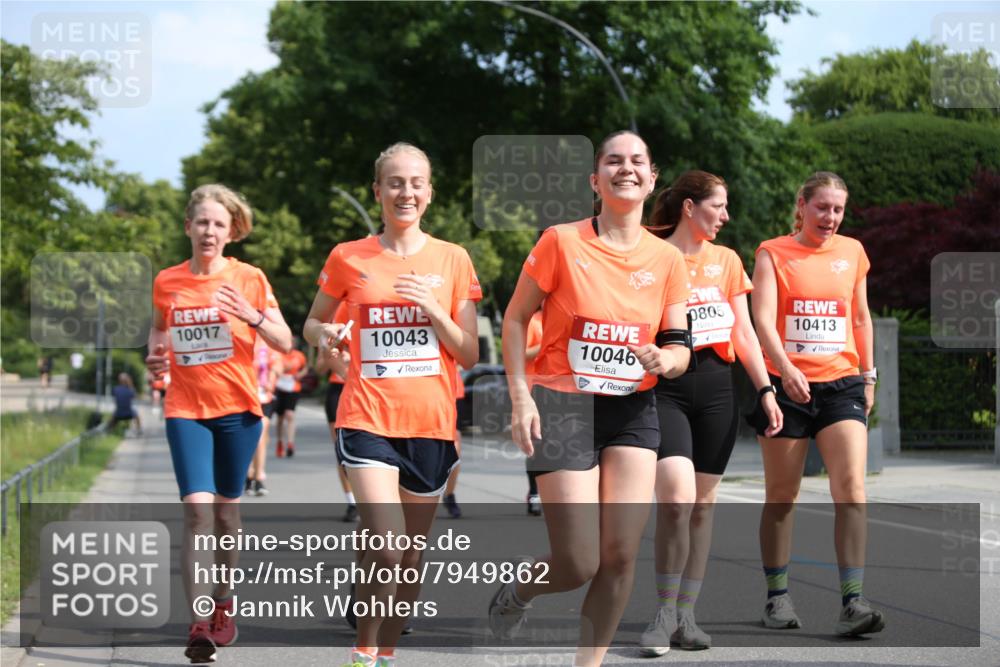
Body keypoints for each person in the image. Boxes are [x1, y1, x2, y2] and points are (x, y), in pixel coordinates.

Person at [497, 130, 692, 667]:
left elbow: (680, 347)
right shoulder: (562, 240)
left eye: (637, 161)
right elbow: (516, 318)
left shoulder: (668, 258)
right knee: (579, 560)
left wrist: (664, 360)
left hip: (633, 410)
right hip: (562, 405)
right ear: (595, 179)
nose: (625, 168)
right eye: (613, 161)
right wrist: (520, 395)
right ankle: (520, 591)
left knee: (620, 555)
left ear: (652, 179)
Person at [303, 142, 480, 667]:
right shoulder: (348, 256)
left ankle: (385, 650)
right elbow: (312, 321)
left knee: (409, 556)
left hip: (429, 423)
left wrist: (435, 311)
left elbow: (468, 352)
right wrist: (326, 332)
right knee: (388, 543)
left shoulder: (453, 258)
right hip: (365, 415)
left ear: (429, 193)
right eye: (395, 183)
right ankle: (363, 654)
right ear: (377, 191)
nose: (406, 192)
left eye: (416, 183)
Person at [638, 170, 783, 656]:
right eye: (718, 206)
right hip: (667, 388)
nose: (725, 216)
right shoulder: (652, 251)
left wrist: (764, 389)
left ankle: (686, 615)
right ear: (689, 207)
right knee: (676, 501)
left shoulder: (726, 260)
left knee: (702, 507)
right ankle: (660, 614)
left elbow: (743, 333)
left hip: (719, 390)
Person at [146, 183, 292, 664]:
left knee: (227, 517)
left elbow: (286, 341)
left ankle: (224, 602)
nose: (209, 231)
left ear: (231, 233)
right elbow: (160, 328)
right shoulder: (167, 280)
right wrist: (156, 358)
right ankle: (199, 622)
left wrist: (252, 315)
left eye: (218, 225)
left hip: (238, 412)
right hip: (185, 409)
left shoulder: (249, 278)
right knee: (197, 513)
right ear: (188, 227)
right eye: (202, 223)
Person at [748, 171, 884, 637]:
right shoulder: (772, 252)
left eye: (838, 209)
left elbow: (861, 318)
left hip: (842, 383)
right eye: (822, 207)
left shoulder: (853, 252)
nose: (830, 217)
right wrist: (785, 369)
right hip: (785, 385)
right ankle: (777, 597)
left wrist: (868, 377)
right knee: (782, 497)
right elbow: (761, 319)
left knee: (851, 491)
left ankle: (853, 602)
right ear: (802, 205)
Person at [316, 301, 359, 522]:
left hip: (365, 390)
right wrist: (332, 355)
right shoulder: (334, 323)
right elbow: (319, 368)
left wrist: (353, 358)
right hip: (338, 389)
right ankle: (352, 501)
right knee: (342, 450)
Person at [245, 338, 281, 496]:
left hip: (263, 397)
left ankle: (259, 477)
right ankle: (248, 474)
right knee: (246, 438)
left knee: (259, 435)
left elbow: (278, 364)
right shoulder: (241, 338)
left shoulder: (269, 343)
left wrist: (271, 381)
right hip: (243, 396)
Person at [523, 308, 544, 516]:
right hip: (534, 390)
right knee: (536, 446)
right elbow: (521, 353)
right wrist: (544, 344)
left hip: (564, 390)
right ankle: (535, 493)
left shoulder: (570, 317)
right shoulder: (533, 321)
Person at [274, 340, 307, 457]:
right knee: (280, 417)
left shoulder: (299, 356)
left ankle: (290, 443)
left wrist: (300, 375)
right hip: (279, 387)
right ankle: (280, 441)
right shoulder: (278, 354)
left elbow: (305, 368)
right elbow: (272, 368)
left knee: (290, 414)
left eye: (293, 342)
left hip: (293, 388)